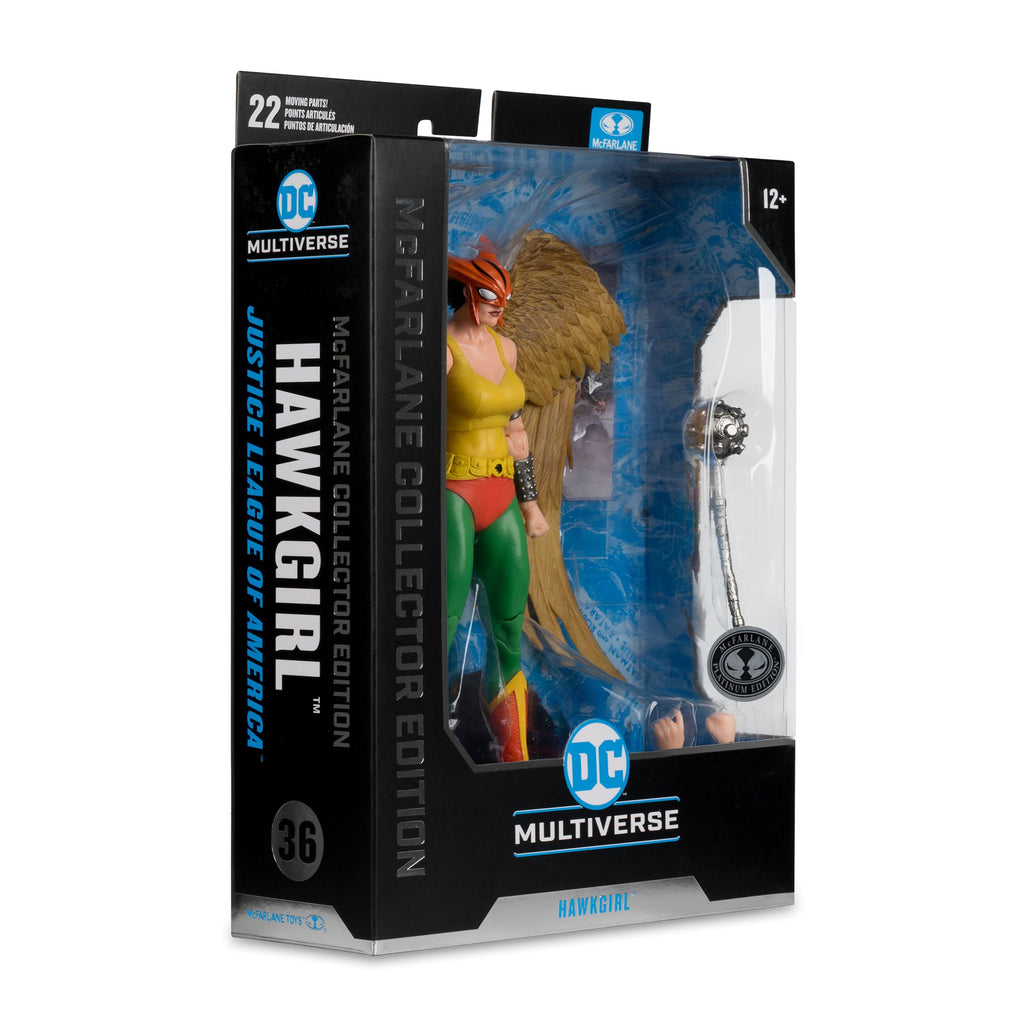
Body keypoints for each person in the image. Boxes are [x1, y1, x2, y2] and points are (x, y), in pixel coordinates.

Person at [445, 252, 548, 762]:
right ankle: (421, 743)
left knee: (508, 625)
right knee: (441, 620)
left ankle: (513, 755)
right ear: (467, 292)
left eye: (505, 299)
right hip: (451, 492)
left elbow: (517, 432)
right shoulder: (439, 349)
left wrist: (530, 502)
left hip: (501, 490)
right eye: (490, 297)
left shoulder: (506, 349)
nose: (499, 308)